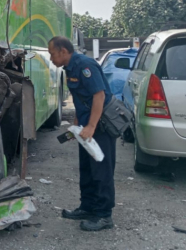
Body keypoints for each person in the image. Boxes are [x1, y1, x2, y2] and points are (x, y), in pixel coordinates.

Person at [48, 36, 116, 232]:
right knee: (87, 170)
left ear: (63, 51)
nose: (51, 58)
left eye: (52, 53)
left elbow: (99, 95)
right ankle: (87, 207)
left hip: (100, 127)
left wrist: (92, 126)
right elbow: (81, 98)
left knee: (102, 172)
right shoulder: (70, 68)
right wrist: (77, 125)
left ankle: (104, 216)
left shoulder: (85, 66)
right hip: (86, 128)